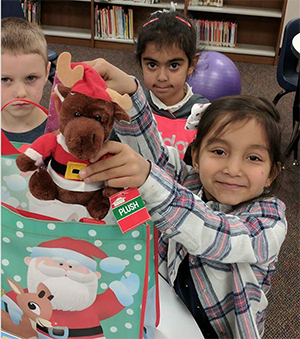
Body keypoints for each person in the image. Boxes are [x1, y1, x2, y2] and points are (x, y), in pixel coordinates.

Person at [78, 60, 287, 339]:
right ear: (197, 157)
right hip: (168, 314)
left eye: (253, 158)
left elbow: (213, 233)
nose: (233, 169)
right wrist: (130, 94)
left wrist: (149, 178)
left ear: (272, 173)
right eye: (219, 152)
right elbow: (155, 157)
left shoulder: (269, 220)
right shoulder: (191, 180)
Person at [135, 9, 209, 158]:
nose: (162, 77)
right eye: (152, 65)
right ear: (140, 62)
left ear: (192, 64)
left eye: (173, 66)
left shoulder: (203, 113)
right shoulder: (133, 108)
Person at [1, 17, 50, 143]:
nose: (21, 93)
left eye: (30, 78)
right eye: (5, 79)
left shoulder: (62, 132)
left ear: (46, 72)